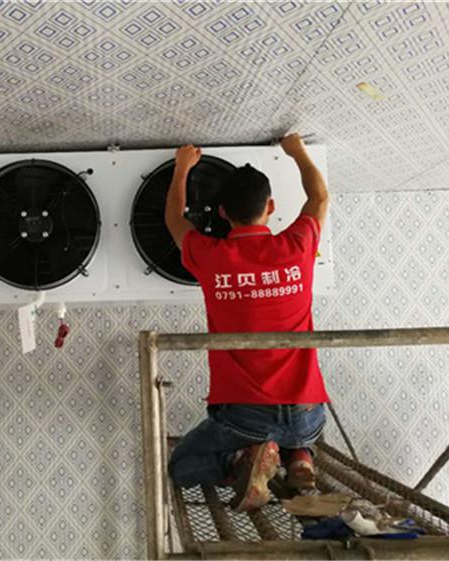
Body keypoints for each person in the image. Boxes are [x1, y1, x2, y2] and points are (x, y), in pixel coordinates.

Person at [164, 134, 330, 511]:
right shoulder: (297, 246)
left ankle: (245, 460)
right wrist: (297, 152)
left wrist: (182, 168)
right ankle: (299, 457)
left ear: (222, 213)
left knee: (182, 466)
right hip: (306, 411)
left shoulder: (211, 256)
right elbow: (320, 198)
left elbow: (174, 219)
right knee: (293, 431)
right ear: (270, 206)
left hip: (248, 416)